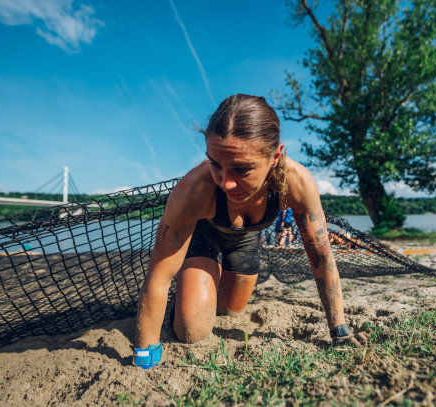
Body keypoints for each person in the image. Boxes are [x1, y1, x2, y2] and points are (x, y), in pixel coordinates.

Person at [133, 94, 368, 369]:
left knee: (230, 311)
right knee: (191, 329)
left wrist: (339, 329)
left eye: (242, 169)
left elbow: (321, 257)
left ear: (275, 157)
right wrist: (144, 355)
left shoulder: (296, 184)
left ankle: (210, 282)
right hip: (204, 236)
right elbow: (159, 274)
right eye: (215, 164)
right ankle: (191, 288)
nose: (226, 183)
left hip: (246, 240)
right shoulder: (193, 190)